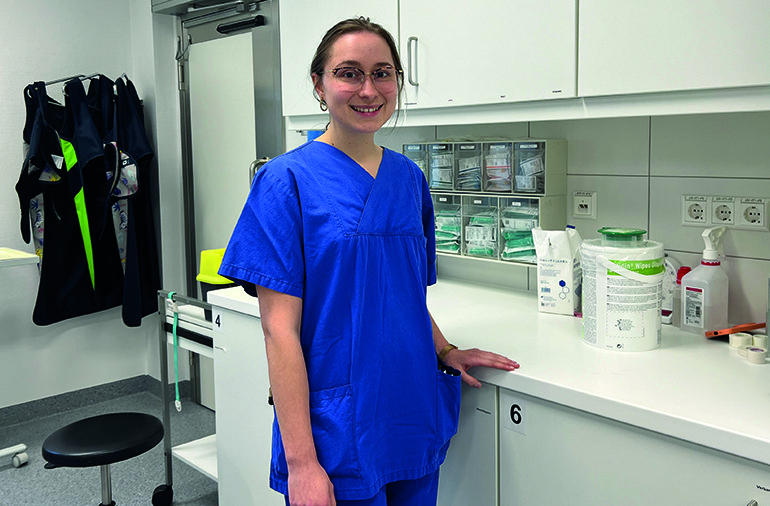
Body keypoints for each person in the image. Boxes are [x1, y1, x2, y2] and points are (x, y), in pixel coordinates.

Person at [219, 16, 520, 506]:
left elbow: (400, 293)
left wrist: (444, 349)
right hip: (338, 424)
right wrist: (302, 464)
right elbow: (279, 331)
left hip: (411, 407)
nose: (368, 89)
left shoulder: (409, 178)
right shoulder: (284, 181)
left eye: (382, 73)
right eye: (348, 73)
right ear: (319, 85)